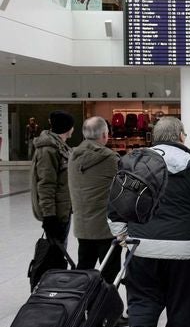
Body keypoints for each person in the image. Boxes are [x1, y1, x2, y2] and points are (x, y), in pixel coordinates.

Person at [108, 117, 190, 327]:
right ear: (181, 135)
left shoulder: (132, 163)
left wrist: (125, 237)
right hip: (184, 251)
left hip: (141, 248)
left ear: (154, 138)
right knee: (184, 303)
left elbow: (115, 208)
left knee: (143, 298)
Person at [68, 117, 123, 302]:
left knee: (84, 269)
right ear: (105, 134)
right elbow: (123, 188)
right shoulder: (110, 158)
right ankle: (105, 311)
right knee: (110, 272)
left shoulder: (73, 156)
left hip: (83, 226)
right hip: (105, 229)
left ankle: (79, 307)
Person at [31, 111, 74, 247]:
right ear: (67, 128)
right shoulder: (48, 150)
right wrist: (49, 216)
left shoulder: (60, 146)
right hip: (56, 214)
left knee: (59, 254)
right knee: (54, 255)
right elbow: (45, 184)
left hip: (63, 210)